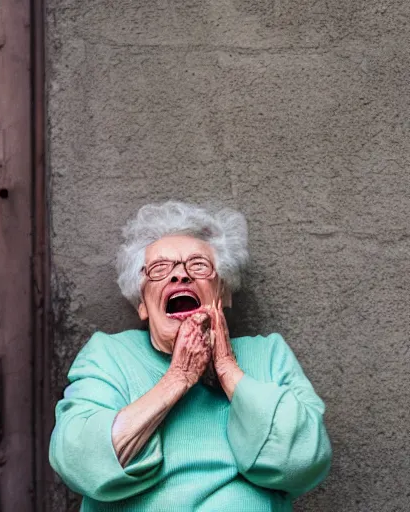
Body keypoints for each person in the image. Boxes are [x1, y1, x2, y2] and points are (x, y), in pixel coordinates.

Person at [49, 201, 332, 511]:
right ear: (142, 304)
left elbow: (305, 462)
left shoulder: (268, 354)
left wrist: (226, 369)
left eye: (198, 265)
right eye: (160, 269)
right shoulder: (108, 355)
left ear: (223, 293)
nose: (180, 277)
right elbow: (81, 461)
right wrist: (177, 379)